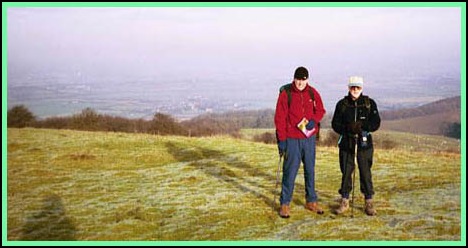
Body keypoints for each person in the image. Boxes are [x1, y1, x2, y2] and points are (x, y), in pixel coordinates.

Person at [274, 66, 326, 218]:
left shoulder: (312, 92)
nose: (300, 83)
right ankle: (285, 204)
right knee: (289, 172)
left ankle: (311, 201)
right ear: (294, 79)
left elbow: (321, 110)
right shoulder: (286, 94)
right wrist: (282, 140)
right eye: (298, 79)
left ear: (307, 79)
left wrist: (313, 121)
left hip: (309, 139)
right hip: (292, 139)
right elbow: (280, 118)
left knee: (310, 171)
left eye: (303, 80)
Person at [331, 76, 381, 216]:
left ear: (362, 88)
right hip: (347, 144)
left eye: (357, 87)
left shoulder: (369, 104)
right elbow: (335, 124)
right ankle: (345, 200)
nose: (355, 90)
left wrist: (362, 126)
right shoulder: (342, 104)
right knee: (346, 172)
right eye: (353, 87)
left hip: (364, 145)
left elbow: (376, 123)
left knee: (365, 172)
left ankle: (369, 202)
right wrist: (348, 128)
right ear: (348, 88)